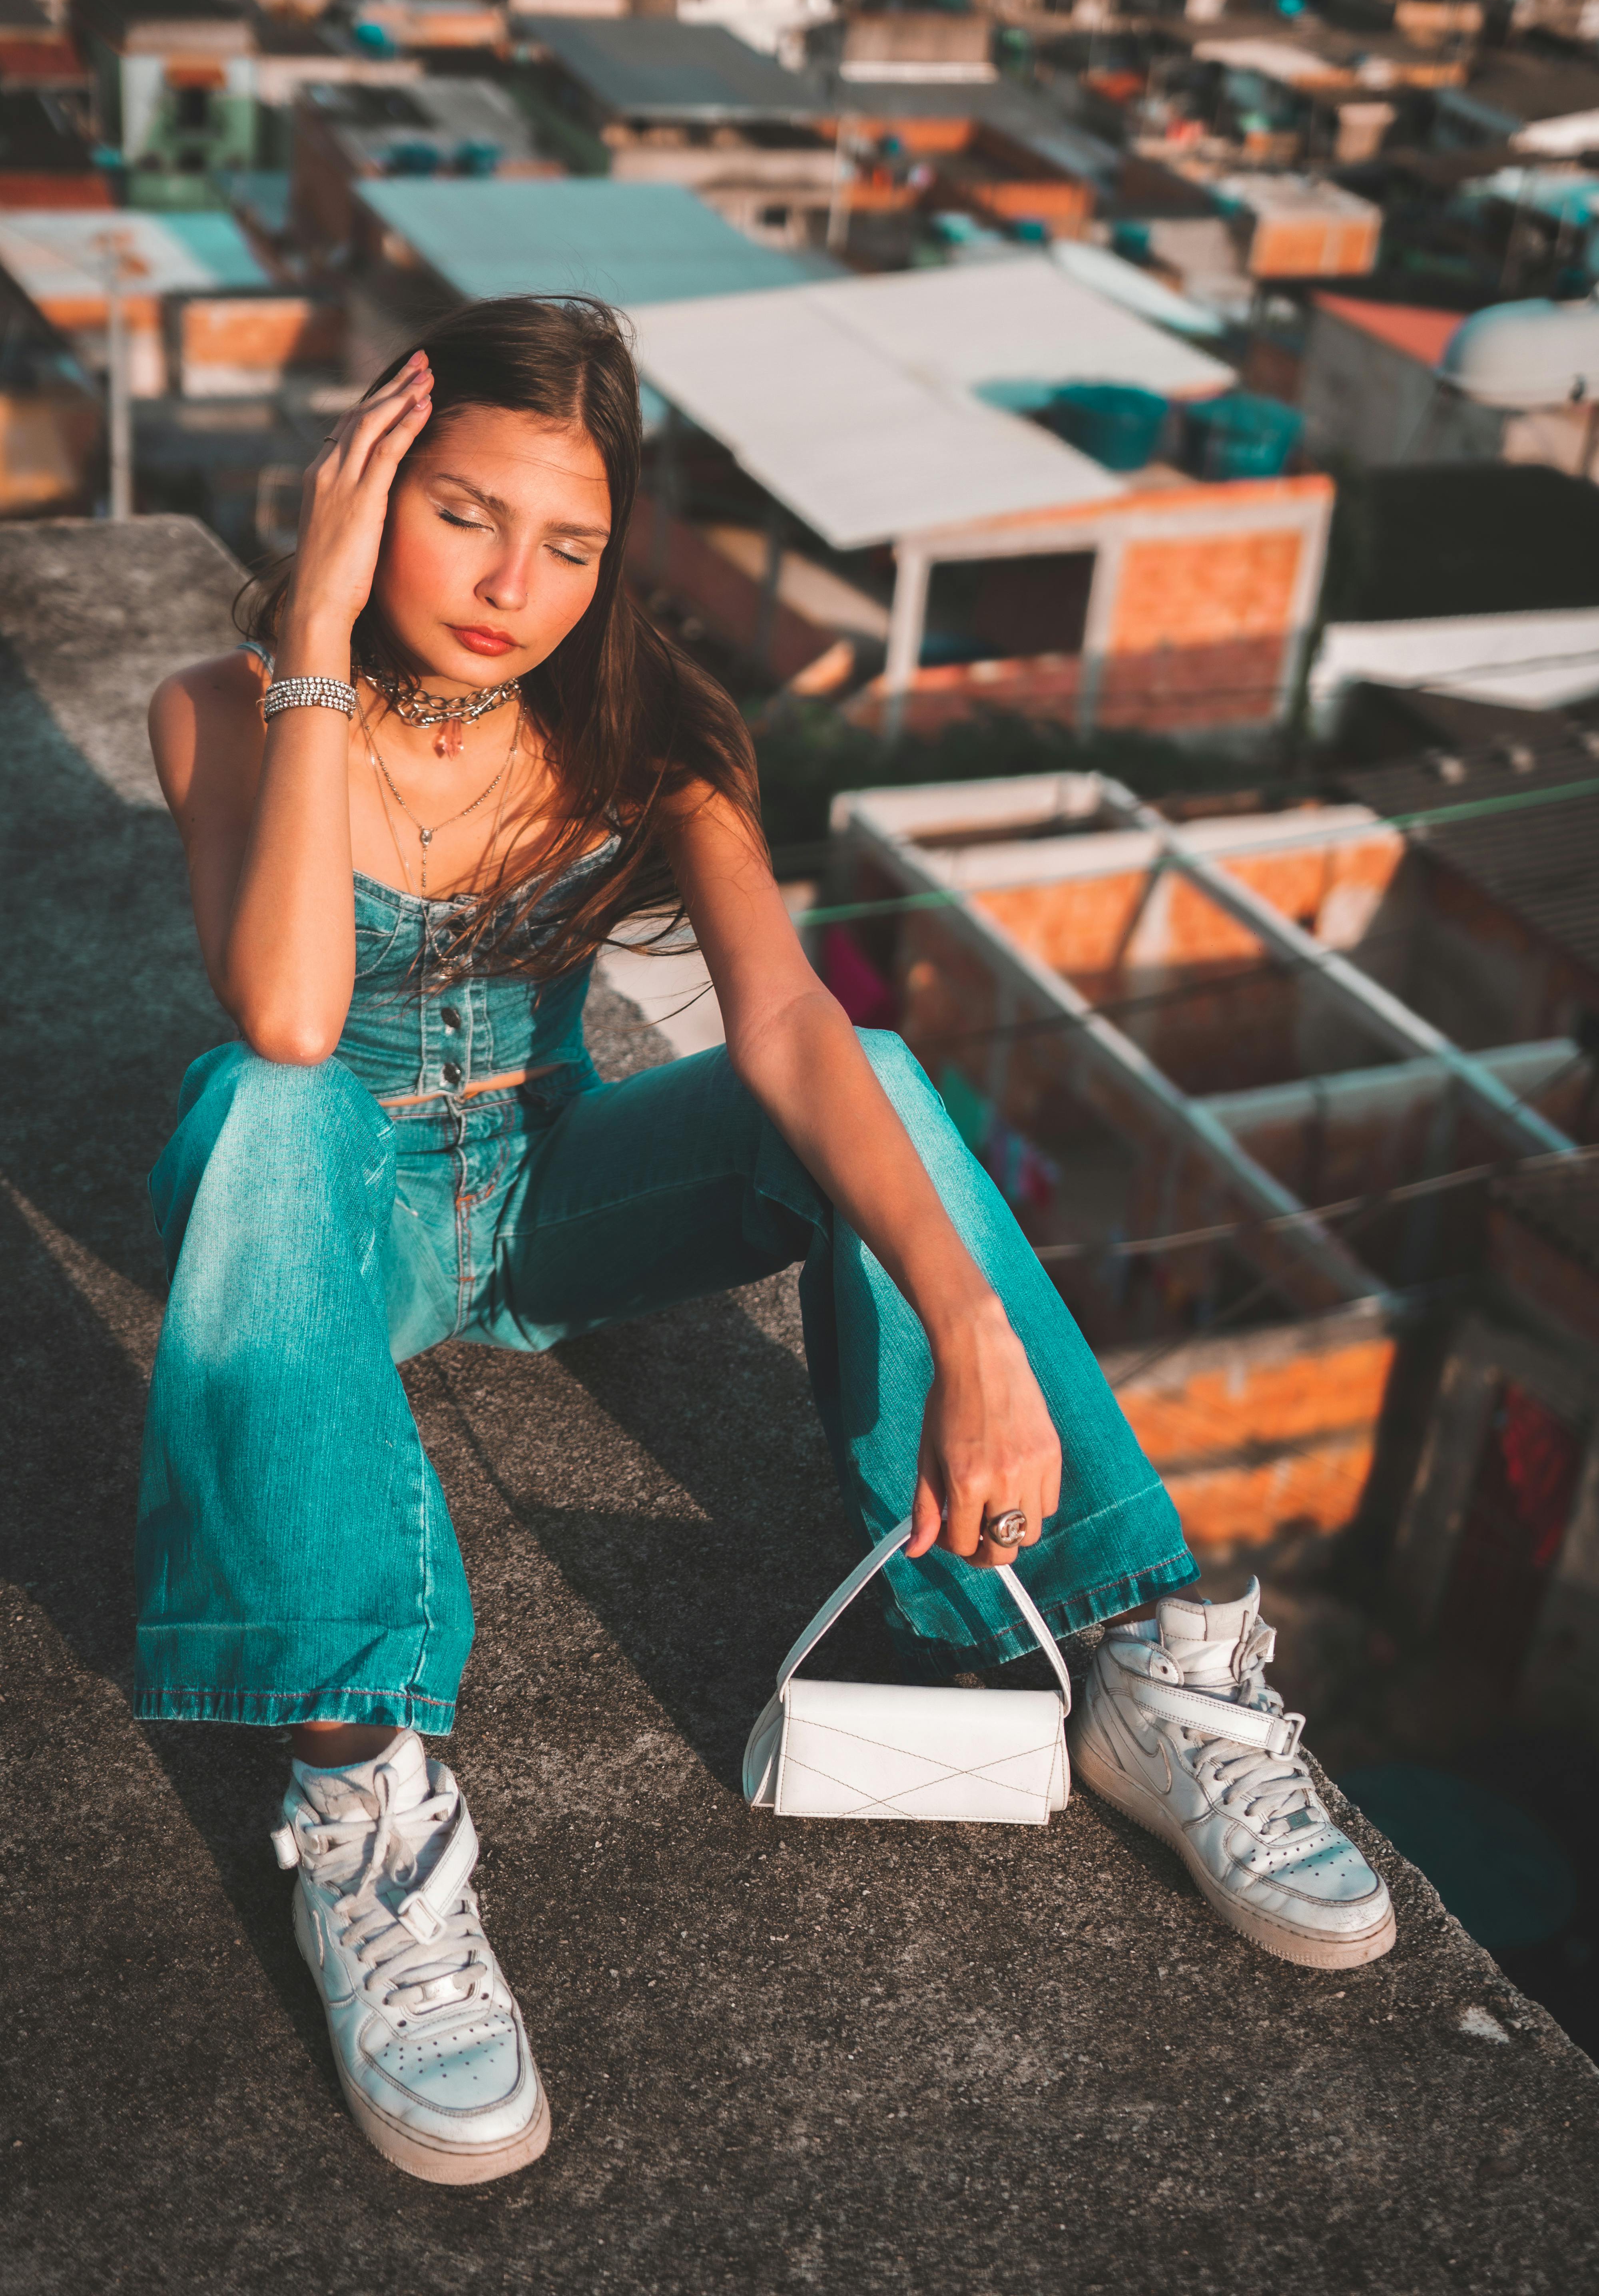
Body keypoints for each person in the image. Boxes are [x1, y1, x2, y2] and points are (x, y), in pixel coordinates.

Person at [141, 295, 1393, 2188]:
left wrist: (966, 1325)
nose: (512, 585)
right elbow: (296, 1018)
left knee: (872, 1068)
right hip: (330, 1223)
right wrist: (313, 636)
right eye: (464, 513)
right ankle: (366, 1799)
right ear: (370, 483)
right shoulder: (217, 715)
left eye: (569, 544)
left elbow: (790, 1032)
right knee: (264, 1101)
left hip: (549, 1199)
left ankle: (1138, 1645)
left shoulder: (645, 735)